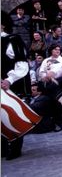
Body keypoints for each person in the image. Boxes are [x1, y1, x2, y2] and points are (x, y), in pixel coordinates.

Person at [1, 11, 31, 160]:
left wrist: (9, 80)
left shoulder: (13, 40)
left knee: (12, 115)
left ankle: (15, 147)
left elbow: (22, 65)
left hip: (10, 86)